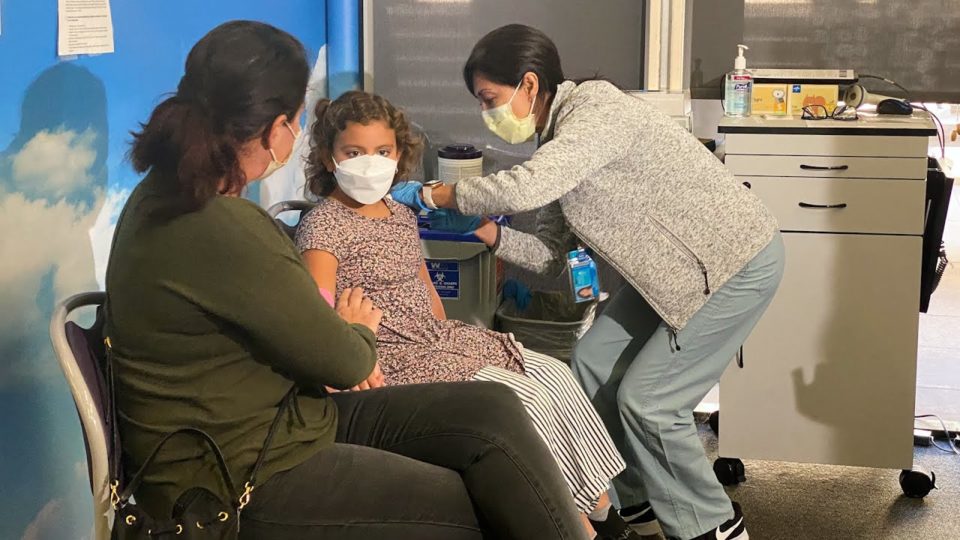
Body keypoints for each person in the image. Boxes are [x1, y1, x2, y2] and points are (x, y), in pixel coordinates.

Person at [104, 20, 586, 540]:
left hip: (288, 421)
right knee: (481, 500)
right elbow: (347, 358)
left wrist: (348, 329)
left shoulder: (165, 197)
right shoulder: (221, 226)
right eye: (294, 121)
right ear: (274, 129)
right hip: (242, 472)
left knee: (494, 408)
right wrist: (355, 327)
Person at [390, 23, 785, 540]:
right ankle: (637, 505)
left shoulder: (597, 112)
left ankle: (712, 527)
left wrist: (440, 195)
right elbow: (556, 257)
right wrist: (489, 233)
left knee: (649, 403)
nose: (486, 114)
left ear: (529, 85)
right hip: (671, 278)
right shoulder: (556, 141)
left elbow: (530, 185)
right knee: (593, 365)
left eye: (489, 99)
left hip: (731, 263)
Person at [294, 90, 639, 540]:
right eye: (353, 152)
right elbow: (314, 313)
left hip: (436, 339)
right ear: (328, 157)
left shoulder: (400, 212)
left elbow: (425, 287)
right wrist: (351, 358)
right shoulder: (324, 225)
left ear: (399, 156)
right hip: (390, 356)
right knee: (523, 404)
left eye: (382, 152)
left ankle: (601, 511)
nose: (369, 163)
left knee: (555, 375)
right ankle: (571, 526)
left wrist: (447, 330)